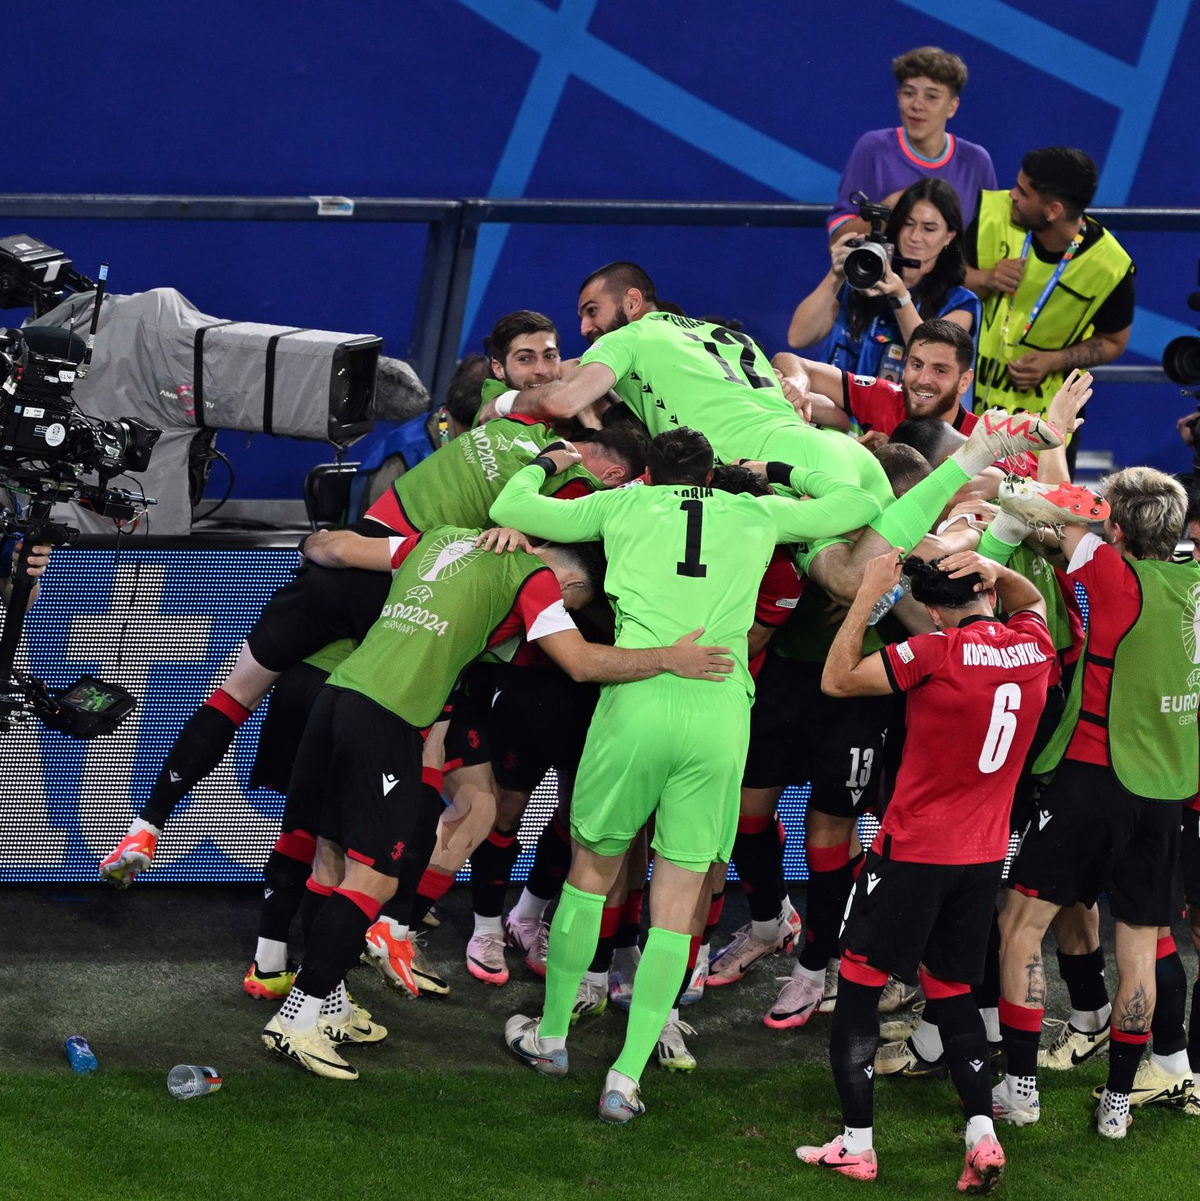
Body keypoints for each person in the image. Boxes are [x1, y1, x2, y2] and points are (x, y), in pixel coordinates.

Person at [98, 309, 640, 889]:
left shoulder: (557, 456)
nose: (540, 370)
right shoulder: (528, 434)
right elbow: (558, 401)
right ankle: (381, 914)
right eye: (526, 359)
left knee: (244, 698)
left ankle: (151, 823)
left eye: (551, 356)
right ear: (498, 366)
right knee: (416, 752)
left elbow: (566, 403)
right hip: (394, 580)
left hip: (377, 567)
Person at [491, 428, 883, 1122]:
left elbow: (510, 505)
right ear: (713, 471)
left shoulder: (619, 506)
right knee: (680, 897)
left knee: (591, 870)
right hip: (718, 713)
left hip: (635, 704)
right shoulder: (757, 512)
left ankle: (551, 1038)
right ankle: (625, 1075)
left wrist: (547, 462)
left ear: (646, 470)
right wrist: (777, 467)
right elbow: (855, 499)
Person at [259, 519, 735, 1079]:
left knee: (332, 859)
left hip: (336, 695)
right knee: (375, 879)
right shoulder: (535, 579)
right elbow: (580, 663)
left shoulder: (441, 537)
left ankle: (330, 1001)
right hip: (384, 718)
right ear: (572, 588)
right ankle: (298, 1018)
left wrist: (310, 541)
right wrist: (669, 659)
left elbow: (333, 547)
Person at [795, 548, 1053, 1190]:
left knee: (856, 983)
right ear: (988, 596)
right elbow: (1034, 603)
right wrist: (998, 569)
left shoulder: (935, 653)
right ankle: (982, 1135)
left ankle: (856, 1146)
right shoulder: (1033, 646)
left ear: (933, 611)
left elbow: (837, 679)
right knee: (951, 990)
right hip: (983, 856)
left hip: (912, 852)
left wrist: (866, 596)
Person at [989, 466, 1199, 1139]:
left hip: (1095, 776)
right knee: (1139, 941)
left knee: (1021, 925)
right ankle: (1115, 1106)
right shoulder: (1192, 584)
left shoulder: (1111, 574)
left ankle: (1020, 1088)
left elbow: (1036, 504)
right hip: (1167, 793)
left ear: (1115, 528)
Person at [966, 147, 1134, 418]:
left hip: (1045, 430)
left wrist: (1054, 360)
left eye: (1023, 191)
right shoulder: (992, 215)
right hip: (966, 411)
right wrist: (985, 278)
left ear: (1053, 210)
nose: (1012, 195)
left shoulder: (1110, 267)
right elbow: (943, 282)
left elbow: (1114, 341)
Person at [789, 179, 980, 396]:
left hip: (898, 427)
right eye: (908, 224)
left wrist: (900, 297)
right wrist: (836, 276)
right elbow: (798, 337)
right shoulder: (861, 280)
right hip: (831, 419)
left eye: (929, 229)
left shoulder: (961, 303)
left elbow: (934, 359)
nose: (915, 236)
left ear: (949, 235)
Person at [827, 45, 996, 240]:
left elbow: (987, 244)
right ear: (898, 97)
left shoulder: (976, 161)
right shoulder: (873, 148)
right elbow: (838, 238)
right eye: (909, 93)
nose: (916, 105)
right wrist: (890, 210)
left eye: (931, 97)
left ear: (952, 106)